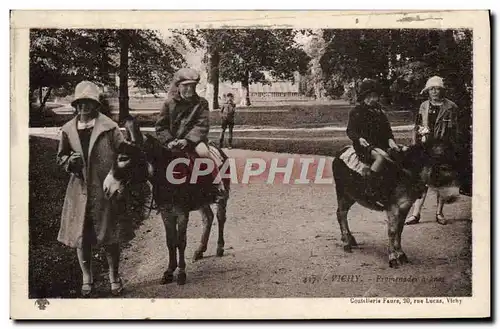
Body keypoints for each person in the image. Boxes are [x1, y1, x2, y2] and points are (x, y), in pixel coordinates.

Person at [56, 81, 126, 297]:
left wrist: (118, 179)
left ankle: (114, 277)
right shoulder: (68, 129)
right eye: (80, 103)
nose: (84, 108)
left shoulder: (109, 127)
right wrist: (70, 161)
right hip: (80, 190)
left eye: (88, 103)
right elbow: (61, 156)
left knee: (109, 236)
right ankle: (87, 277)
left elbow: (124, 154)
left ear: (96, 105)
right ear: (75, 105)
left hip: (105, 189)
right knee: (82, 236)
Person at [155, 68, 227, 198]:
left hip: (194, 141)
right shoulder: (168, 103)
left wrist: (187, 140)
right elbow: (161, 126)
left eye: (192, 86)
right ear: (178, 86)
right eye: (185, 86)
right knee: (156, 159)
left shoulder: (201, 103)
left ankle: (217, 184)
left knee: (204, 153)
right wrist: (169, 140)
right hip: (172, 141)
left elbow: (202, 124)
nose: (189, 89)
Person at [405, 76, 460, 225]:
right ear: (428, 91)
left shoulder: (451, 107)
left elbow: (455, 131)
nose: (435, 92)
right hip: (425, 147)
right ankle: (415, 214)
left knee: (440, 180)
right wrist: (415, 143)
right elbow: (417, 126)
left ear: (442, 90)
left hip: (443, 149)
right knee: (421, 180)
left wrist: (452, 150)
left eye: (437, 89)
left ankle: (439, 213)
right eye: (432, 89)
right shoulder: (424, 106)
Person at [346, 79, 401, 204]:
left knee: (400, 154)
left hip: (381, 144)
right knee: (381, 158)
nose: (372, 99)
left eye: (374, 96)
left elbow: (387, 131)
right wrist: (359, 139)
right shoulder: (356, 112)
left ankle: (393, 188)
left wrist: (391, 141)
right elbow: (351, 131)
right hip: (365, 146)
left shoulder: (380, 112)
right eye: (369, 97)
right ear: (363, 97)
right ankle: (369, 188)